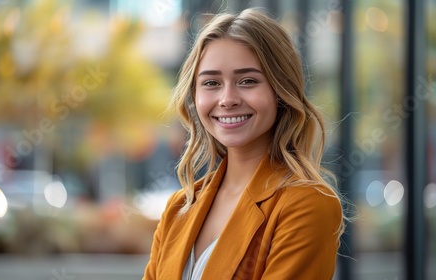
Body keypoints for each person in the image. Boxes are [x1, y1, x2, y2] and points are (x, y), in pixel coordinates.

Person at [143, 8, 345, 279]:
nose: (227, 99)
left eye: (248, 81)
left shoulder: (307, 204)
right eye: (212, 82)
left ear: (280, 91)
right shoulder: (179, 208)